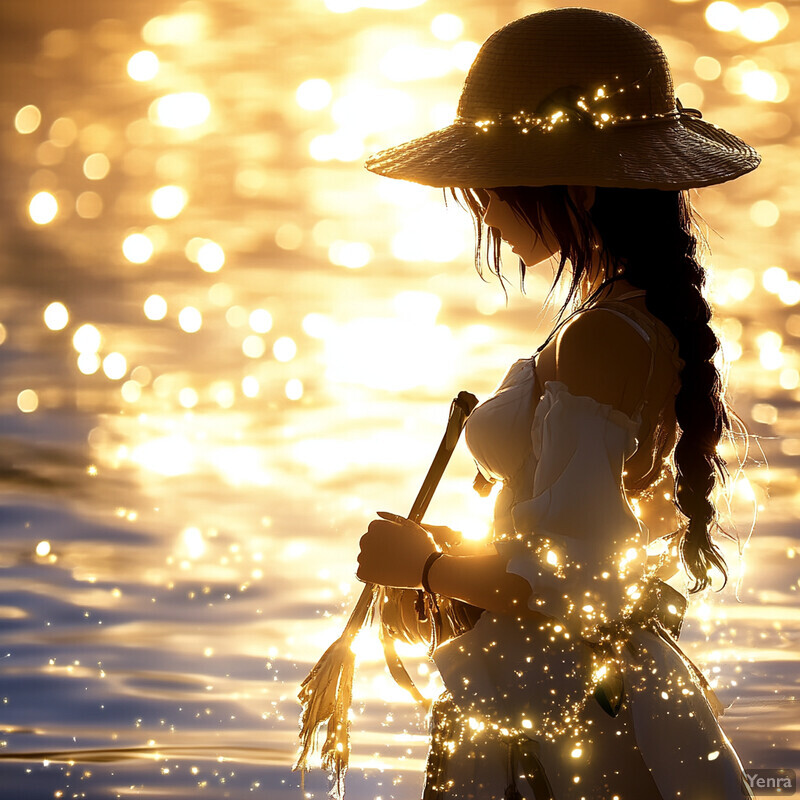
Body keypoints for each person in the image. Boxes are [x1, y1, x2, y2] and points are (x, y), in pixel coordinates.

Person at [355, 8, 759, 799]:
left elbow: (573, 583)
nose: (485, 219)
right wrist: (448, 558)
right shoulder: (632, 316)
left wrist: (429, 567)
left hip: (562, 701)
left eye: (492, 195)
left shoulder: (603, 338)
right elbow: (572, 540)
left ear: (574, 187)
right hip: (579, 678)